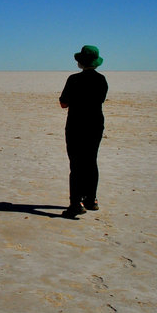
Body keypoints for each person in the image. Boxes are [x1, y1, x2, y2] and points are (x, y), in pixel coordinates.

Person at [59, 45, 108, 218]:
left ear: (80, 62)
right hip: (95, 124)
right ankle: (91, 199)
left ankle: (75, 204)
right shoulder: (102, 80)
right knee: (91, 161)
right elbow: (100, 100)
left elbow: (63, 103)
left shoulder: (73, 79)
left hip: (76, 125)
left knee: (76, 164)